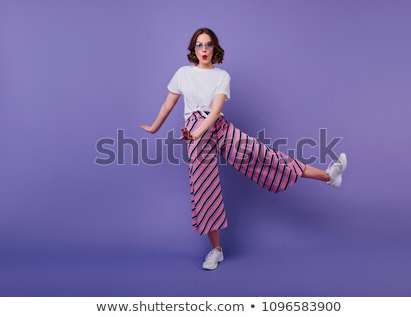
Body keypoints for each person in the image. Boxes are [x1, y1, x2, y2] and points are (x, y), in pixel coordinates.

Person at [141, 27, 347, 271]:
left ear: (214, 48)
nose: (204, 50)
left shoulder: (222, 76)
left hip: (217, 128)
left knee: (267, 157)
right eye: (199, 45)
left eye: (208, 45)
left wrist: (196, 133)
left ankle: (328, 176)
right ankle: (216, 250)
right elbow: (168, 103)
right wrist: (155, 127)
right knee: (204, 189)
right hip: (195, 131)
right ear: (193, 49)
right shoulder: (183, 74)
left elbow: (216, 111)